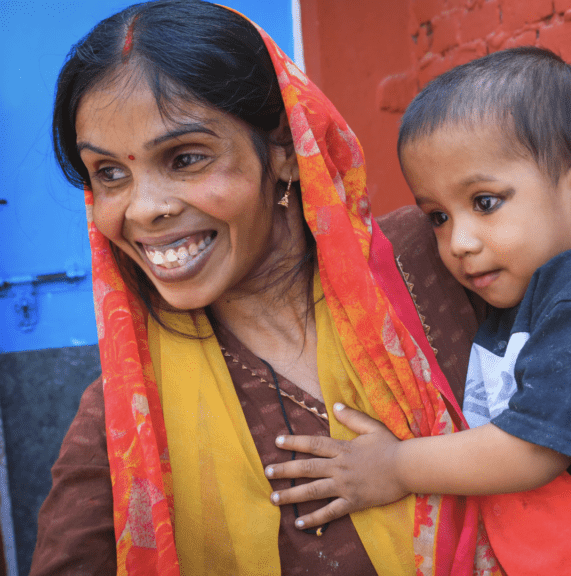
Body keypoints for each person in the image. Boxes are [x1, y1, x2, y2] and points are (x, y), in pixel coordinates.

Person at [32, 1, 502, 574]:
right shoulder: (123, 418)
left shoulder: (441, 259)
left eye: (185, 158)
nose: (144, 208)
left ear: (282, 148)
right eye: (109, 174)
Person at [267, 47, 571, 575]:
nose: (459, 242)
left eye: (485, 202)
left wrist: (395, 468)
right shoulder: (516, 304)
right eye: (439, 217)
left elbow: (534, 451)